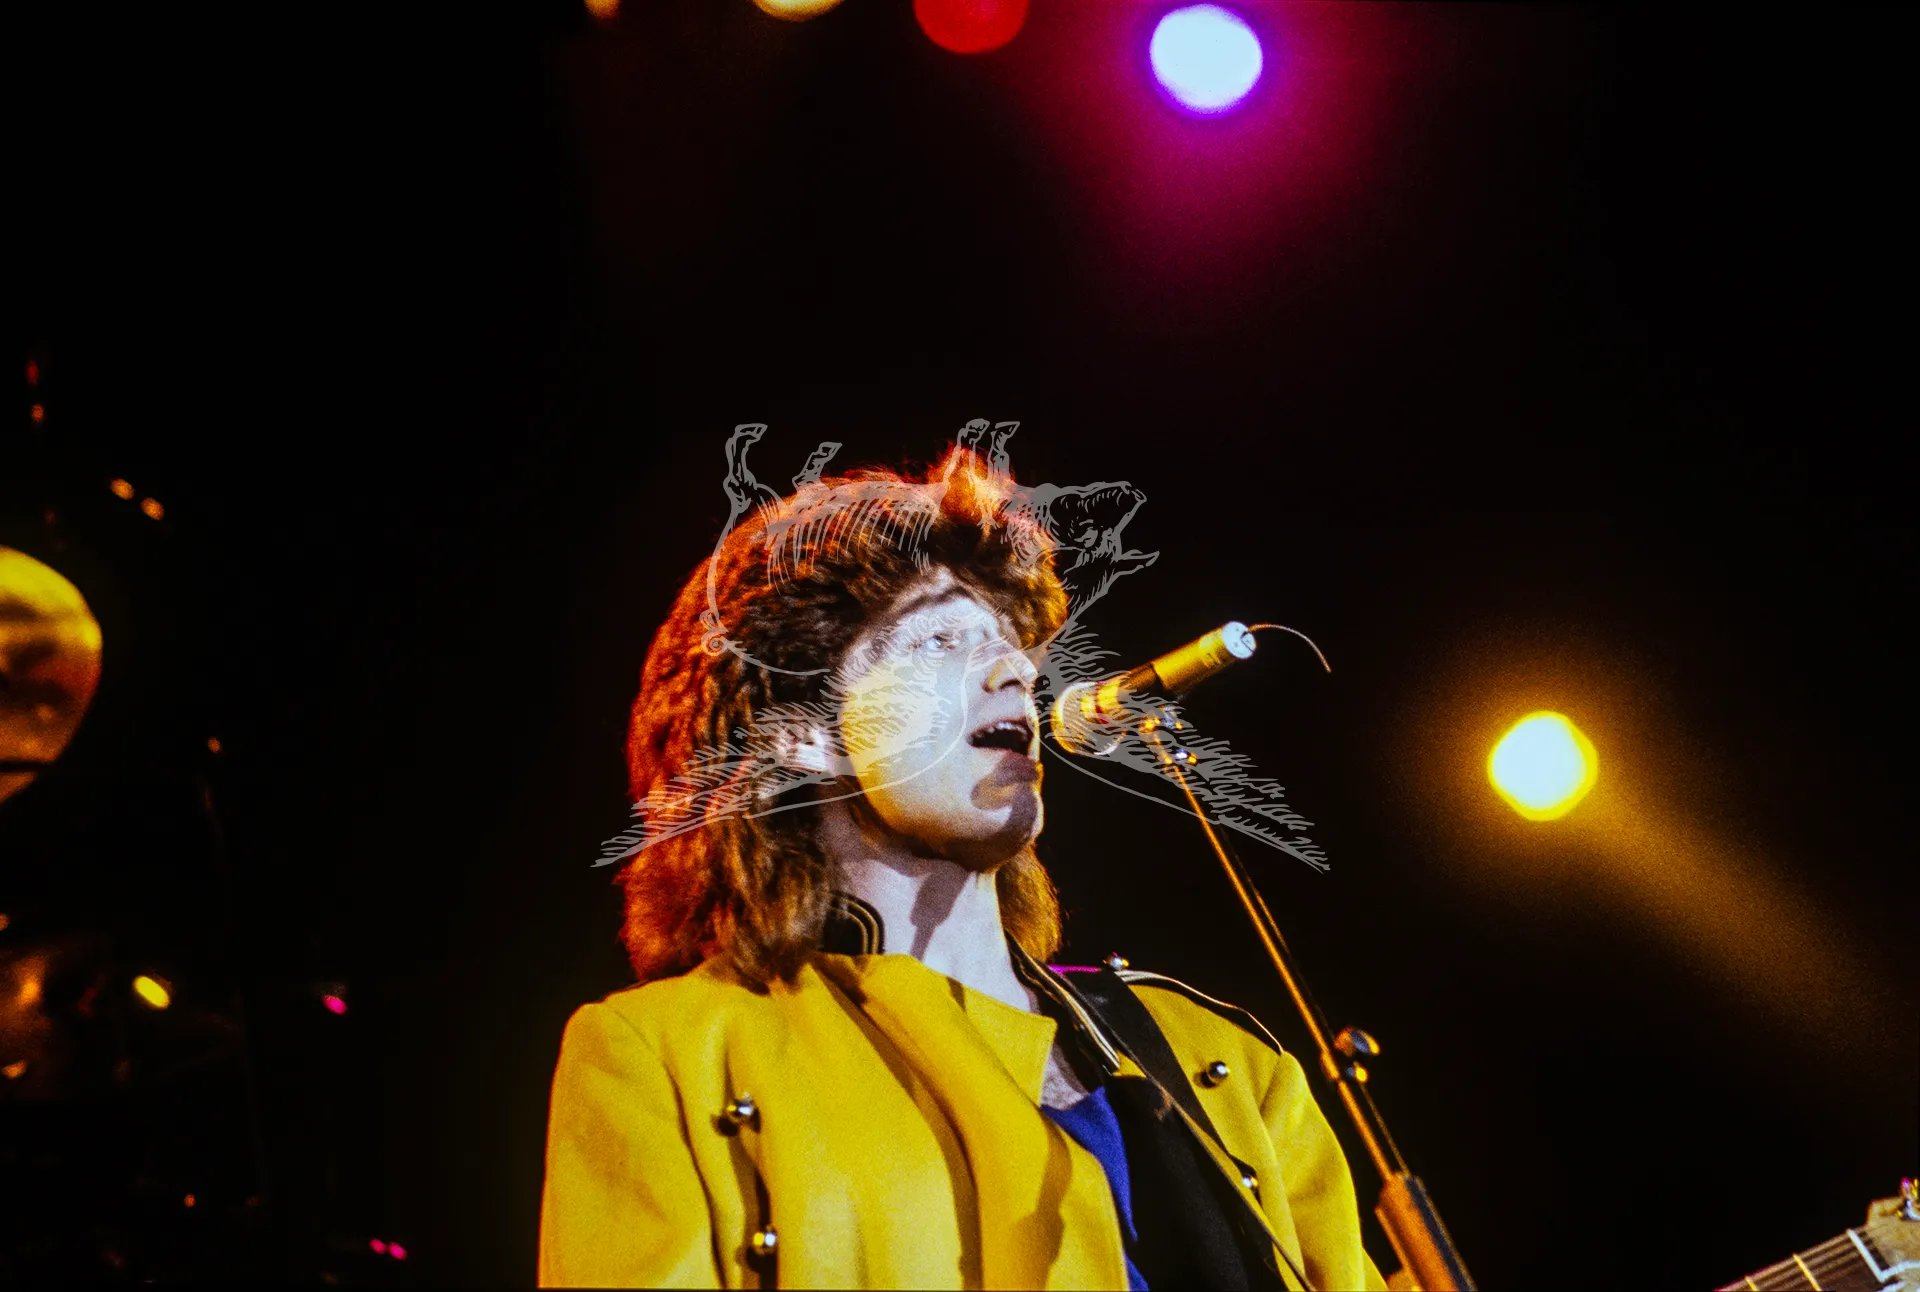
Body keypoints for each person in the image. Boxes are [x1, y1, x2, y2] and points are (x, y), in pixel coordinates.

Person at [539, 441, 1387, 1290]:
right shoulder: (670, 1052)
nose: (1015, 669)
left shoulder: (1227, 1061)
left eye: (1011, 645)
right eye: (940, 640)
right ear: (802, 734)